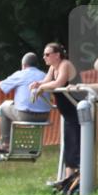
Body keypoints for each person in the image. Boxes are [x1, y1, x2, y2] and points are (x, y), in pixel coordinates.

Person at [0, 52, 51, 152]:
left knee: (4, 110)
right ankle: (33, 144)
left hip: (26, 115)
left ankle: (6, 144)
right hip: (44, 116)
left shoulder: (21, 74)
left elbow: (0, 86)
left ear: (23, 65)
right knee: (17, 107)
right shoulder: (45, 76)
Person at [30, 42, 81, 179]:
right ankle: (69, 180)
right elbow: (46, 81)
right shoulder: (53, 67)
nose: (44, 57)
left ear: (57, 55)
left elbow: (58, 83)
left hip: (77, 111)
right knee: (69, 144)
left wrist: (42, 88)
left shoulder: (65, 64)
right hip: (68, 113)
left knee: (76, 144)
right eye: (44, 55)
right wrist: (37, 84)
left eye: (47, 54)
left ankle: (78, 179)